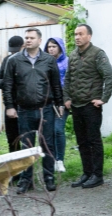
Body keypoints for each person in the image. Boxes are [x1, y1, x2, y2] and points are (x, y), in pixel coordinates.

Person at [3, 27, 63, 194]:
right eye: (26, 37)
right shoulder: (14, 60)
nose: (28, 40)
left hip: (46, 109)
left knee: (47, 144)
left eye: (31, 37)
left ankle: (49, 178)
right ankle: (25, 180)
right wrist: (9, 106)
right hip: (24, 109)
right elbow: (8, 86)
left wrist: (60, 104)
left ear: (39, 41)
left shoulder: (48, 60)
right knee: (26, 146)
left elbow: (56, 84)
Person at [65, 24, 112, 189]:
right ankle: (86, 173)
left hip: (91, 106)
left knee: (94, 140)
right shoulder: (72, 55)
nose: (77, 37)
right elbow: (67, 79)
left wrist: (103, 98)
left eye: (81, 34)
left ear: (89, 36)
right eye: (75, 34)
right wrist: (66, 98)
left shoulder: (97, 54)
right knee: (82, 141)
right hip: (77, 106)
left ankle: (97, 175)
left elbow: (109, 77)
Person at [0, 35, 23, 185]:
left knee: (26, 139)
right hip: (10, 105)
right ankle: (15, 172)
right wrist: (7, 83)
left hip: (24, 105)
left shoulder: (27, 61)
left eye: (16, 50)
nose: (14, 53)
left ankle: (27, 172)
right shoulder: (7, 60)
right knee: (12, 139)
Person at [44, 37, 68, 173]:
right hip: (48, 102)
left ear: (60, 47)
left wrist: (66, 100)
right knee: (49, 132)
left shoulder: (67, 61)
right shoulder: (44, 62)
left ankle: (60, 160)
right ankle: (51, 160)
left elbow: (70, 82)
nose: (51, 49)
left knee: (58, 130)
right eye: (49, 47)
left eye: (54, 46)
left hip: (63, 102)